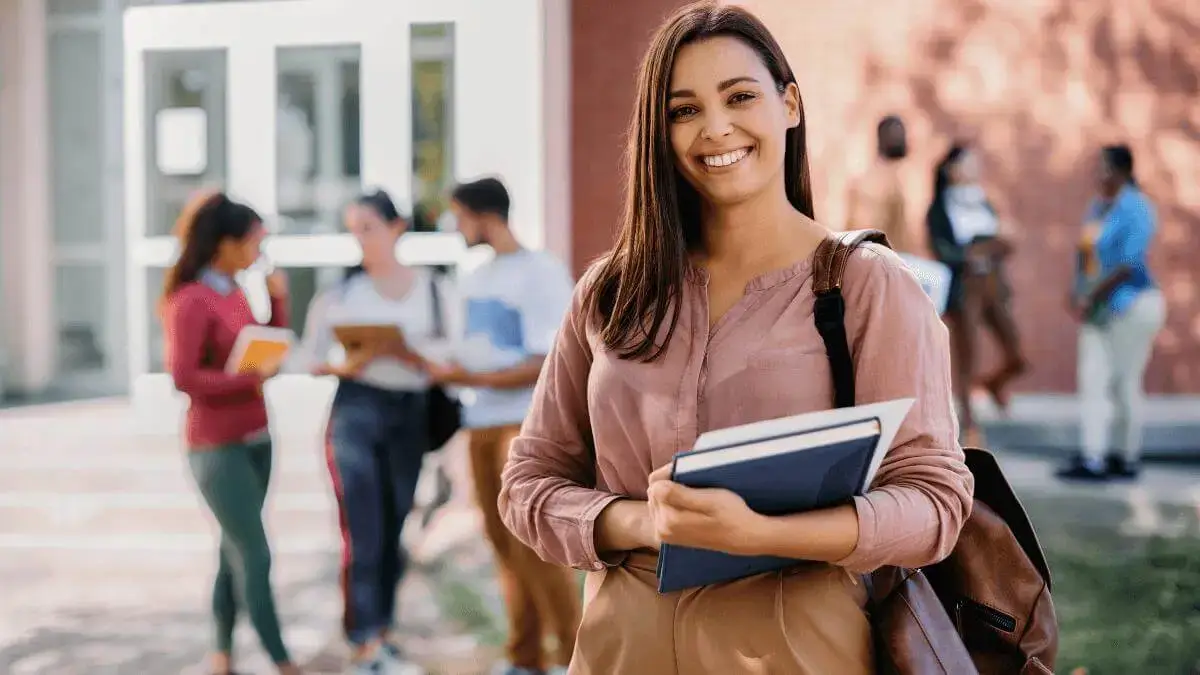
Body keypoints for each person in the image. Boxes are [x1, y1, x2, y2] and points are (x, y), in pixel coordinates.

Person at [496, 4, 974, 674]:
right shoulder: (609, 291)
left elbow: (934, 502)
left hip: (797, 650)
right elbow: (527, 484)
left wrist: (764, 535)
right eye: (683, 109)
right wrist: (644, 521)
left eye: (740, 96)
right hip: (619, 652)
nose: (715, 128)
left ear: (790, 105)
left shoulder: (868, 287)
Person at [425, 177, 581, 675]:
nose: (457, 227)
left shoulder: (541, 272)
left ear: (483, 215)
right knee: (502, 546)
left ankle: (577, 658)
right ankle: (525, 658)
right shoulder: (473, 278)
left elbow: (549, 358)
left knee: (534, 547)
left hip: (524, 424)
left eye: (460, 217)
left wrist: (471, 375)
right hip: (479, 422)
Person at [291, 191, 449, 674]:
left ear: (396, 227)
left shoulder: (434, 289)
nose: (360, 239)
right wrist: (347, 362)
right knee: (362, 531)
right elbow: (305, 357)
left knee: (395, 524)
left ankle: (382, 632)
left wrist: (415, 357)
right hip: (355, 409)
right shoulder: (340, 293)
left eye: (368, 228)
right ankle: (365, 641)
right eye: (353, 229)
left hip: (412, 411)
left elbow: (454, 357)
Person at [160, 191, 301, 675]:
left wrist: (279, 301)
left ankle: (220, 655)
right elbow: (184, 378)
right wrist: (246, 380)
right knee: (255, 554)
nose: (260, 251)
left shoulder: (234, 292)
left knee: (232, 549)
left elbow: (262, 346)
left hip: (258, 436)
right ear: (225, 243)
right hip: (217, 448)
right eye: (254, 241)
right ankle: (283, 662)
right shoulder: (191, 300)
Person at [1058, 144, 1165, 481]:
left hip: (1130, 306)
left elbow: (1128, 265)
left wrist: (1091, 295)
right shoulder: (1098, 209)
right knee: (1099, 380)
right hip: (1100, 308)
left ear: (1121, 171)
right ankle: (1102, 455)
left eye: (1103, 167)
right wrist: (1077, 291)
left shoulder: (1136, 208)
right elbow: (1086, 254)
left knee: (1119, 381)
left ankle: (1116, 456)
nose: (1097, 174)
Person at [926, 143, 1026, 444]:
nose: (974, 169)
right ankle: (969, 426)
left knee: (1017, 352)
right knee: (967, 358)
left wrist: (993, 247)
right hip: (964, 287)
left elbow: (1003, 241)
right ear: (952, 169)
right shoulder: (940, 207)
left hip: (993, 286)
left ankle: (996, 382)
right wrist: (972, 254)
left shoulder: (983, 201)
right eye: (968, 163)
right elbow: (942, 249)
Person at [846, 115, 916, 254]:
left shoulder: (899, 176)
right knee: (940, 275)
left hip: (894, 257)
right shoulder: (870, 182)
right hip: (881, 258)